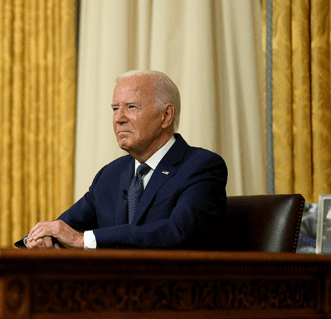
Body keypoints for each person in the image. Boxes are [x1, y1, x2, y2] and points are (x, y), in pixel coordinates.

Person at [21, 70, 228, 250]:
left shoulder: (202, 166)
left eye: (131, 107)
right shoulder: (111, 174)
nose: (119, 118)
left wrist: (82, 239)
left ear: (166, 115)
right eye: (114, 108)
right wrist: (42, 239)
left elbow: (178, 233)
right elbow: (66, 228)